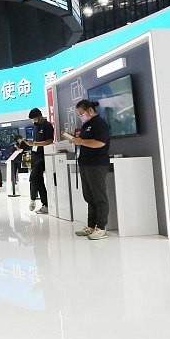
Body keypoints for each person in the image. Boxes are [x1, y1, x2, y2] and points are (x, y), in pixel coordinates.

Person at [67, 100, 111, 239]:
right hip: (85, 163)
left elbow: (100, 142)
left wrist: (81, 141)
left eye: (81, 113)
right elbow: (83, 141)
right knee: (89, 196)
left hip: (96, 164)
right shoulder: (86, 125)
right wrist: (76, 140)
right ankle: (91, 226)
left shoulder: (100, 124)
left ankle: (101, 227)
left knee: (99, 196)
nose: (81, 116)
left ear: (90, 110)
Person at [19, 108, 54, 214]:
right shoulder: (35, 127)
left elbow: (49, 141)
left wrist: (35, 143)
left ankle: (33, 199)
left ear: (39, 116)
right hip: (34, 155)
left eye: (34, 118)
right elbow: (35, 141)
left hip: (43, 156)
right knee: (39, 181)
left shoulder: (47, 126)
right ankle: (45, 204)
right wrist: (30, 143)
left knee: (33, 178)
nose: (33, 121)